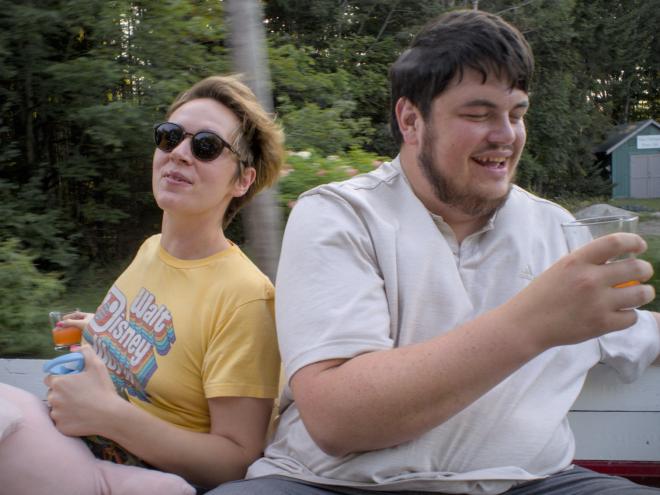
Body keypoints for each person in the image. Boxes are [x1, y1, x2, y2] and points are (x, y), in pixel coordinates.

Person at [207, 9, 660, 495]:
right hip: (333, 486)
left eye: (516, 113)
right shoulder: (340, 215)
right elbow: (338, 420)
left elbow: (635, 333)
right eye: (478, 114)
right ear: (411, 120)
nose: (506, 135)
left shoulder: (559, 230)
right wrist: (533, 321)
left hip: (530, 484)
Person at [0, 74, 284, 493]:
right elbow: (171, 338)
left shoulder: (245, 298)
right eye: (170, 137)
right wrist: (99, 327)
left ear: (242, 180)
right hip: (75, 446)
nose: (180, 153)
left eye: (206, 146)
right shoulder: (151, 249)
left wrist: (108, 415)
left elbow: (236, 462)